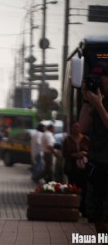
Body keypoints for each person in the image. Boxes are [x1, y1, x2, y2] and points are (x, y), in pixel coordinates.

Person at [79, 62, 108, 233]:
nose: (98, 81)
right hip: (97, 163)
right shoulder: (97, 100)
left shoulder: (100, 103)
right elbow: (82, 126)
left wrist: (98, 105)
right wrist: (85, 99)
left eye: (102, 77)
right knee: (95, 211)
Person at [62, 121, 89, 217]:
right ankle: (73, 209)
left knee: (84, 188)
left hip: (84, 168)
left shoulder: (86, 139)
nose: (76, 128)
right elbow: (64, 154)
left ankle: (84, 210)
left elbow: (91, 152)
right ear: (71, 128)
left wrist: (84, 153)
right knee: (73, 188)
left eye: (78, 127)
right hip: (72, 168)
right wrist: (75, 155)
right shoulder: (67, 140)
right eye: (74, 127)